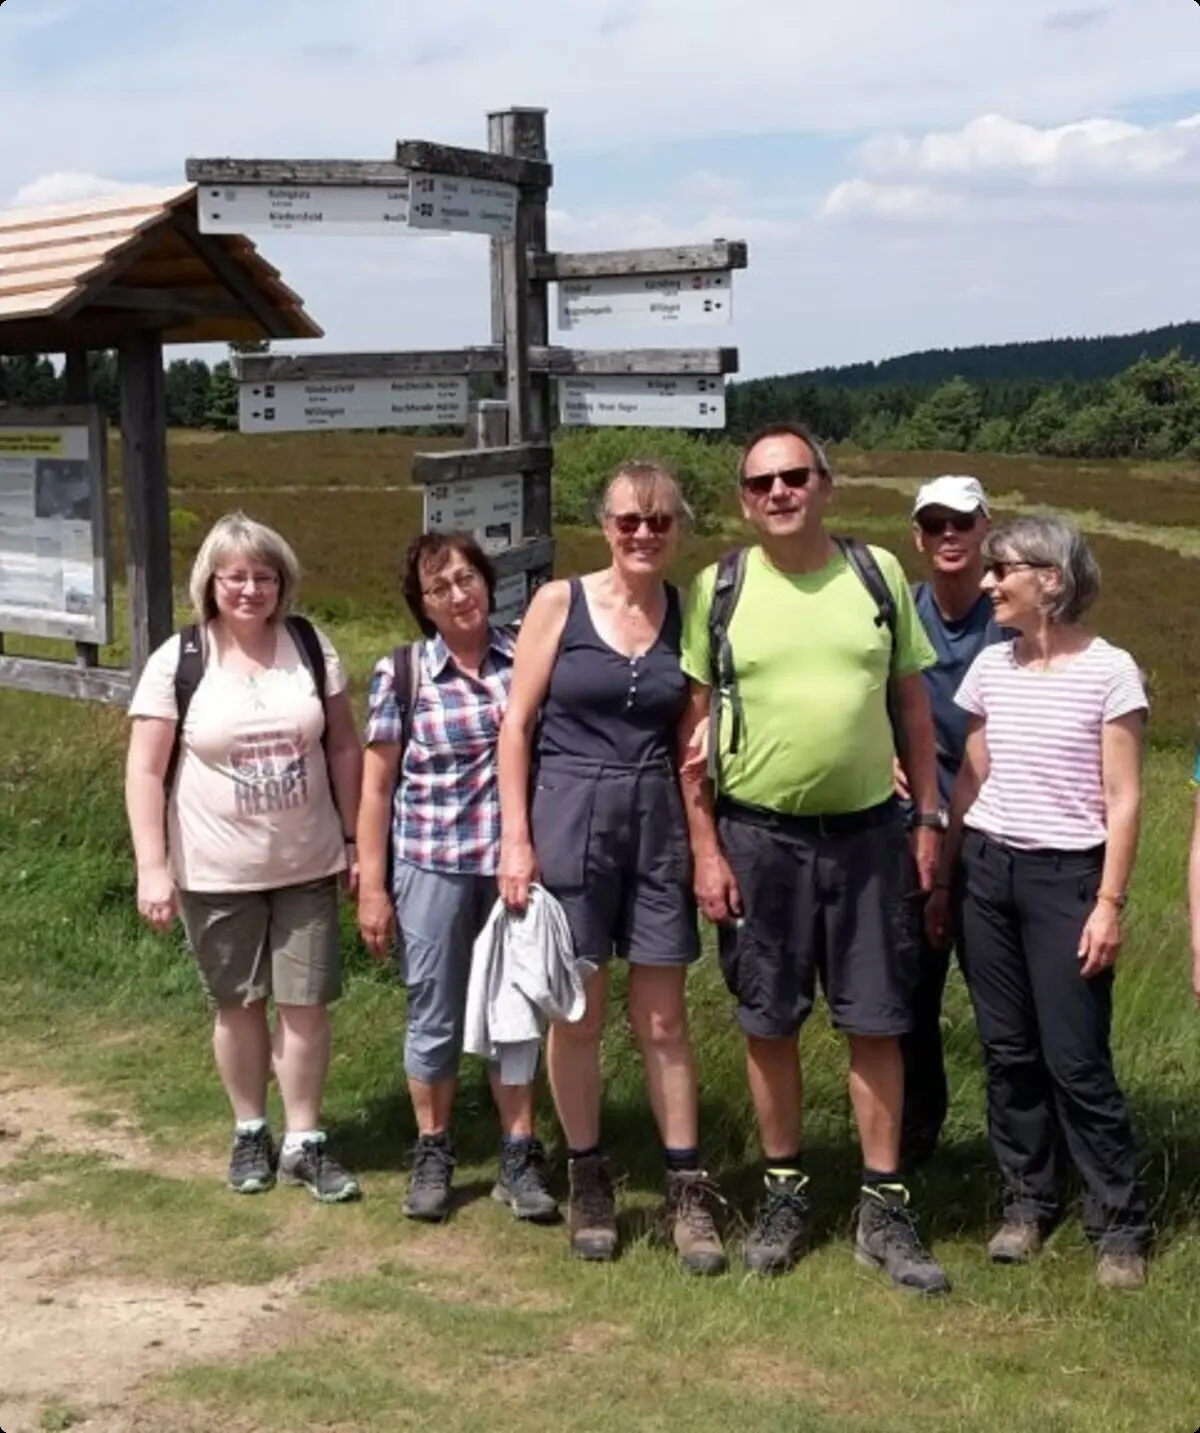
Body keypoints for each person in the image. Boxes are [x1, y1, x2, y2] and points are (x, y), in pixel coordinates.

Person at [676, 420, 950, 1294]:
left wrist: (929, 818)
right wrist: (706, 848)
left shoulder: (875, 578)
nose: (780, 493)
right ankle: (784, 1191)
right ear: (744, 501)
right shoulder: (717, 588)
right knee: (769, 1021)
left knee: (878, 1019)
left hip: (871, 835)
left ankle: (884, 1205)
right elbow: (691, 732)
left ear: (826, 485)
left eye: (795, 476)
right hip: (758, 840)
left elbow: (913, 705)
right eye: (761, 483)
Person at [497, 460, 726, 1276]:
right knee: (578, 1013)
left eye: (660, 520)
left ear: (676, 530)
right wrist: (515, 838)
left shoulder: (688, 611)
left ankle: (686, 1188)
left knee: (664, 1019)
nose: (643, 533)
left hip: (656, 818)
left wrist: (704, 848)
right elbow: (516, 726)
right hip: (568, 817)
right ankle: (589, 1173)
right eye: (629, 519)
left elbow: (691, 745)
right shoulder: (559, 602)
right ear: (604, 525)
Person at [928, 514, 1151, 1290]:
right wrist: (948, 875)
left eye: (1004, 570)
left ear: (1050, 580)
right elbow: (970, 778)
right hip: (989, 875)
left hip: (1069, 881)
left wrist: (1110, 903)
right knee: (1008, 1052)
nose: (988, 583)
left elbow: (1124, 799)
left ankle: (1118, 1222)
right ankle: (1027, 1202)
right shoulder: (992, 666)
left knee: (1077, 1059)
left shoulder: (1111, 671)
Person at [125, 512, 362, 1202]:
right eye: (236, 576)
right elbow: (144, 769)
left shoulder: (312, 646)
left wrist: (352, 838)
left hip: (308, 859)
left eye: (264, 575)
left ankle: (305, 1140)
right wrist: (152, 866)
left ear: (281, 582)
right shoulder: (180, 659)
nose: (250, 588)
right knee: (237, 1004)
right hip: (214, 867)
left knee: (306, 1004)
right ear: (211, 582)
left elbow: (344, 744)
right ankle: (250, 1129)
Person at [356, 532, 558, 1226]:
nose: (457, 594)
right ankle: (434, 1149)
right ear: (423, 603)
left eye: (466, 577)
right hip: (430, 865)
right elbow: (376, 788)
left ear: (488, 581)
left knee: (516, 1012)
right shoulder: (401, 673)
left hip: (512, 868)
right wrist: (374, 886)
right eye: (439, 587)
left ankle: (518, 1153)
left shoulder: (524, 659)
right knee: (434, 1012)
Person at [900, 475, 1006, 1167]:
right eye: (934, 523)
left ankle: (1021, 1155)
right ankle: (913, 1141)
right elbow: (867, 694)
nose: (948, 535)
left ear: (983, 529)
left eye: (961, 522)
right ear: (917, 535)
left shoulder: (1014, 619)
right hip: (915, 836)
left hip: (997, 836)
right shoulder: (902, 615)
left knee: (1004, 1010)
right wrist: (883, 754)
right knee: (910, 999)